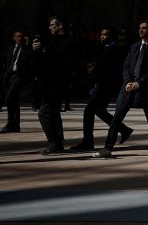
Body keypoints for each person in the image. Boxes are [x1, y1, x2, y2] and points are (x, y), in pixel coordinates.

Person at [95, 20, 148, 159]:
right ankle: (108, 148)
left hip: (146, 88)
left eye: (144, 28)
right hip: (127, 87)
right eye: (140, 28)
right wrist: (127, 81)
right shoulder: (134, 47)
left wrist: (140, 83)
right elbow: (126, 66)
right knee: (117, 117)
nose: (141, 30)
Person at [71, 28, 131, 151]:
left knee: (89, 111)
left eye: (105, 34)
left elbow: (107, 68)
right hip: (103, 84)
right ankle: (124, 129)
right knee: (99, 110)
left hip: (105, 85)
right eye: (101, 34)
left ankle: (88, 141)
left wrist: (94, 72)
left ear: (111, 36)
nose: (102, 37)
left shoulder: (113, 49)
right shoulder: (105, 48)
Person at [31, 16, 75, 154]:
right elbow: (42, 63)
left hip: (57, 83)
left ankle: (54, 143)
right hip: (48, 83)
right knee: (54, 113)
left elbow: (68, 64)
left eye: (52, 25)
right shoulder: (50, 41)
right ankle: (58, 142)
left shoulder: (68, 42)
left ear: (60, 25)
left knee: (44, 113)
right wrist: (36, 51)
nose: (50, 27)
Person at [1, 30, 31, 133]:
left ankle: (10, 123)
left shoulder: (27, 49)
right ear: (14, 38)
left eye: (22, 36)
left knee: (9, 98)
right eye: (18, 36)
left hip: (19, 76)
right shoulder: (10, 49)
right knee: (14, 100)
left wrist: (28, 45)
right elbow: (6, 61)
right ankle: (15, 125)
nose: (20, 38)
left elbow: (30, 62)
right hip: (9, 76)